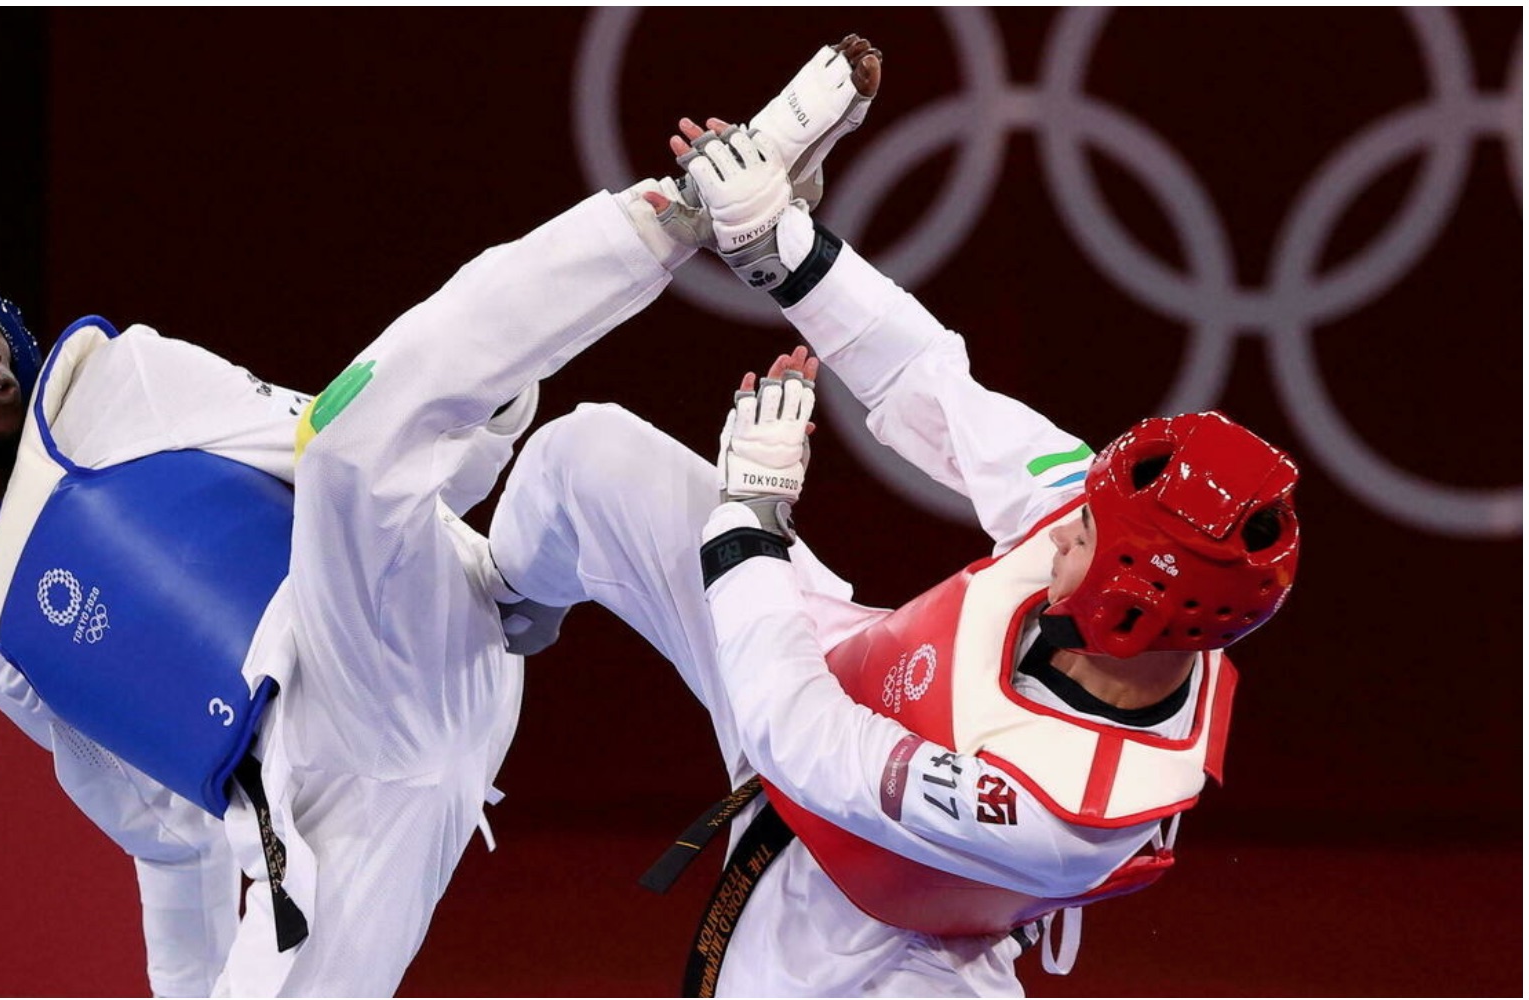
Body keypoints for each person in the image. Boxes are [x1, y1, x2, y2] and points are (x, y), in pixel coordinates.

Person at [0, 37, 884, 998]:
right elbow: (146, 823)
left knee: (550, 452)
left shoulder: (120, 381)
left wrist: (477, 454)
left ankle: (685, 213)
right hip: (331, 819)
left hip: (381, 637)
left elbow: (351, 447)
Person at [487, 112, 1301, 996]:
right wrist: (779, 243)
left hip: (883, 929)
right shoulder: (1118, 543)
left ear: (1130, 598)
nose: (1064, 519)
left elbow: (800, 738)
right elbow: (928, 383)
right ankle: (499, 615)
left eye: (1085, 532)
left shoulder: (1073, 802)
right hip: (825, 661)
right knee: (589, 458)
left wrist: (753, 522)